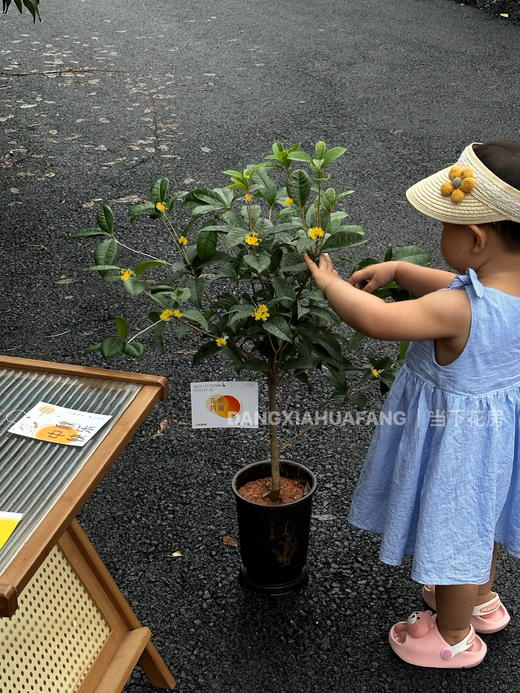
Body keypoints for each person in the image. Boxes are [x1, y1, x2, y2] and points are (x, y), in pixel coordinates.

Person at [302, 140, 520, 668]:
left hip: (457, 442)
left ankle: (452, 636)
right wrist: (400, 268)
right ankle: (481, 601)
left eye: (444, 226)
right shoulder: (503, 289)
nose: (439, 235)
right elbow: (454, 284)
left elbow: (378, 321)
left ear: (475, 238)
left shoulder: (456, 312)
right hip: (496, 440)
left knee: (454, 525)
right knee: (478, 520)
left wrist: (330, 282)